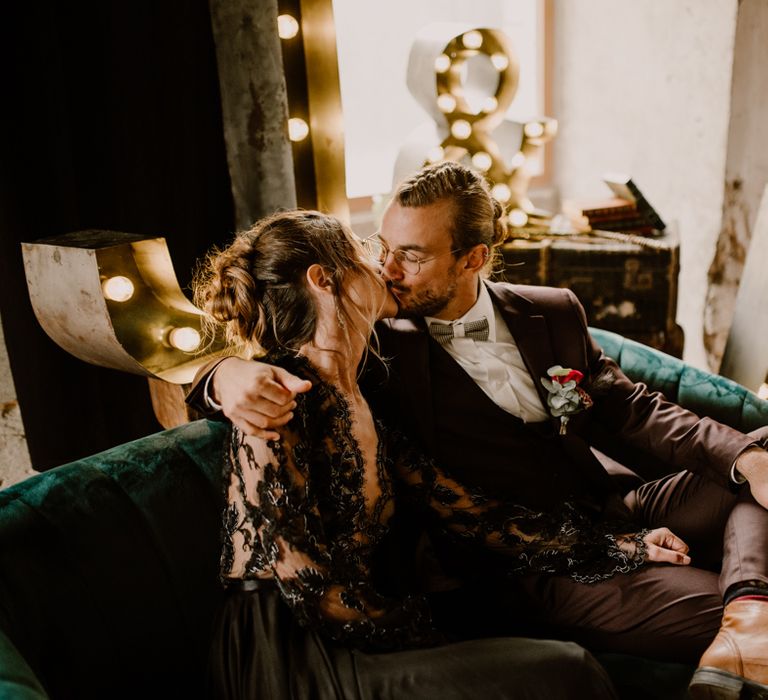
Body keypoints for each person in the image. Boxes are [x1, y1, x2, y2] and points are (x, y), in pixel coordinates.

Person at [188, 163, 768, 700]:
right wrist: (221, 376)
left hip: (611, 505)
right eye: (380, 249)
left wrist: (742, 459)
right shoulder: (366, 352)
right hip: (506, 575)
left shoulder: (550, 311)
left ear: (473, 258)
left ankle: (749, 607)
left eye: (409, 255)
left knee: (758, 462)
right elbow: (269, 344)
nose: (387, 269)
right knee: (600, 656)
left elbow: (628, 413)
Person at [194, 209, 624, 699]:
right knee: (568, 670)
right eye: (363, 252)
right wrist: (429, 633)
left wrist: (614, 546)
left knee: (558, 658)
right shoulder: (276, 402)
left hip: (361, 627)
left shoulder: (364, 399)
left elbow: (473, 515)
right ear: (323, 280)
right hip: (291, 657)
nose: (382, 265)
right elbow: (312, 591)